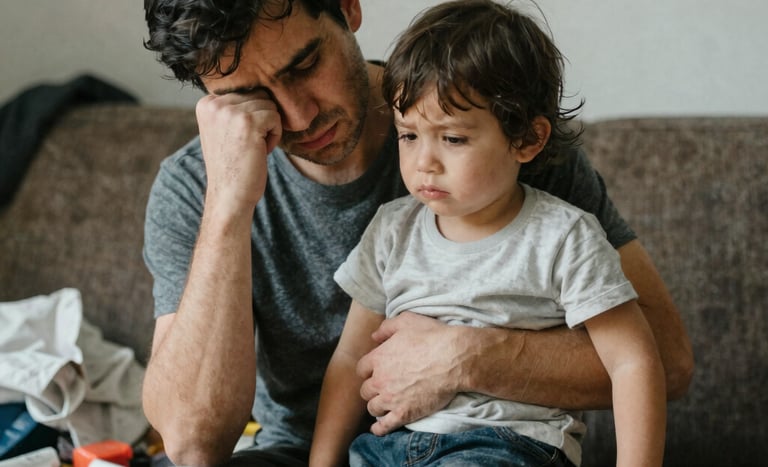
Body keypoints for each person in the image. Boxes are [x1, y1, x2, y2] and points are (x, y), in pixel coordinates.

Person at [140, 0, 693, 465]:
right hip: (315, 451)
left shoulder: (495, 124)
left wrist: (465, 357)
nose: (298, 117)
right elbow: (192, 444)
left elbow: (664, 360)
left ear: (348, 7)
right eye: (248, 94)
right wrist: (227, 204)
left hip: (492, 446)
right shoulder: (194, 186)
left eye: (304, 66)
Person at [308, 1, 666, 466]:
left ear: (527, 140)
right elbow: (348, 359)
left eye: (453, 139)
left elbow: (633, 361)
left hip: (506, 446)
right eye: (408, 135)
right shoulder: (391, 230)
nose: (424, 162)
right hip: (388, 447)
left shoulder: (564, 237)